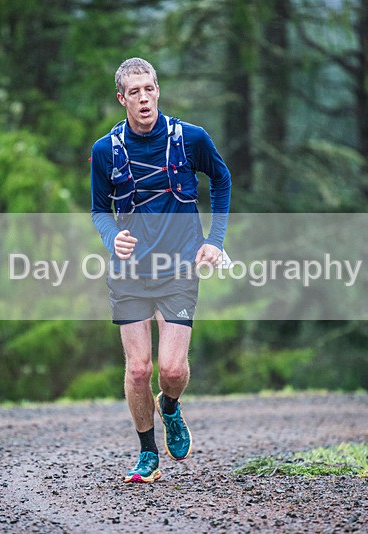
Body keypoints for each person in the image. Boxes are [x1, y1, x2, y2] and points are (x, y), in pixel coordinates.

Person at [90, 57, 232, 483]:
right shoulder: (105, 150)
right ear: (122, 99)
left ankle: (169, 406)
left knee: (171, 370)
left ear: (158, 91)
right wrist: (110, 236)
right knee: (138, 369)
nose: (144, 98)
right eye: (134, 92)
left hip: (179, 267)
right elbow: (99, 210)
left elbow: (221, 180)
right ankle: (147, 454)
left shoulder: (191, 139)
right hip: (130, 271)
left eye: (149, 89)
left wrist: (215, 239)